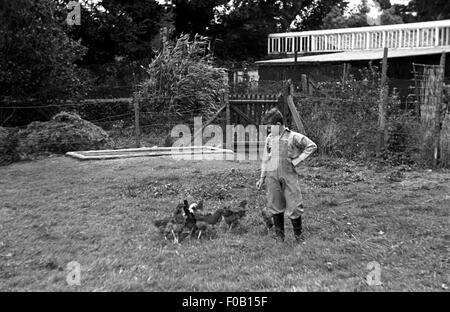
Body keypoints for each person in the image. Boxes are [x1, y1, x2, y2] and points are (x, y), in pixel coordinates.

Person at [256, 108, 317, 242]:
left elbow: (311, 146)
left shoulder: (293, 136)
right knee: (275, 204)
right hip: (272, 177)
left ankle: (299, 237)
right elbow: (265, 158)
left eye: (269, 127)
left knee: (294, 205)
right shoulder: (269, 139)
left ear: (278, 125)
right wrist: (262, 178)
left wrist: (297, 160)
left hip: (288, 175)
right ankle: (279, 238)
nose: (268, 130)